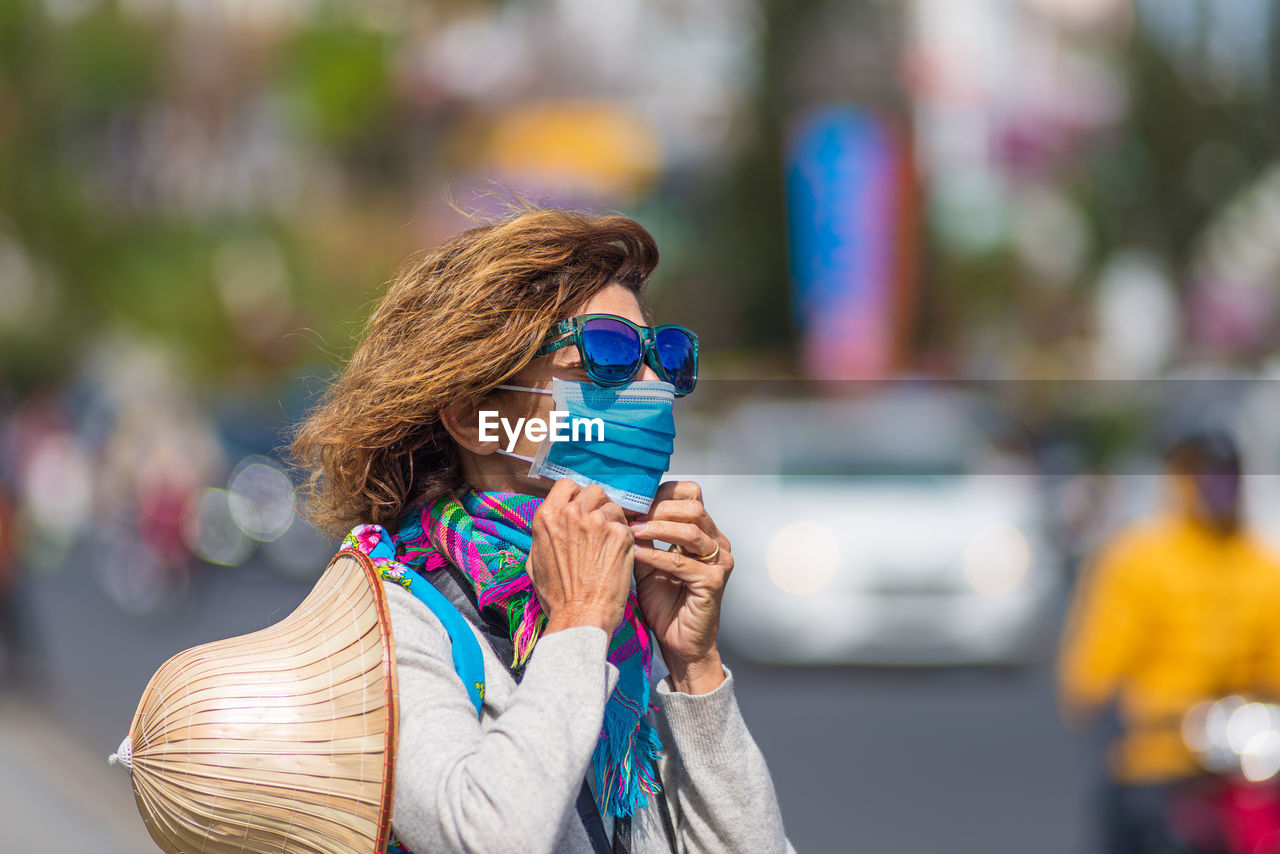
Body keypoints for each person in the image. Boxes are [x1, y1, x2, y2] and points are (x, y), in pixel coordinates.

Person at [291, 208, 794, 854]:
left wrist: (695, 670)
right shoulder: (391, 619)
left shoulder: (628, 634)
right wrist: (578, 623)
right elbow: (489, 838)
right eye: (604, 358)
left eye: (660, 356)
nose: (653, 386)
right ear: (474, 417)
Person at [1058, 429, 1280, 853]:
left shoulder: (1263, 566)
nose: (1218, 487)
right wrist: (1126, 712)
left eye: (1226, 475)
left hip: (1243, 755)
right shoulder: (1139, 561)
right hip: (1157, 752)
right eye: (1205, 474)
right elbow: (1097, 668)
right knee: (1143, 820)